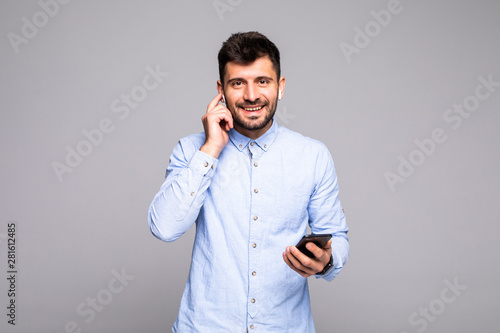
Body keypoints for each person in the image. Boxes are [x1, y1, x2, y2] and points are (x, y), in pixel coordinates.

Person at [148, 31, 349, 332]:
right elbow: (164, 227)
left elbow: (336, 236)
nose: (252, 95)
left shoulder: (313, 155)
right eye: (237, 83)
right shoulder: (192, 151)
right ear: (221, 91)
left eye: (262, 81)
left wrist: (327, 261)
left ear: (280, 87)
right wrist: (211, 149)